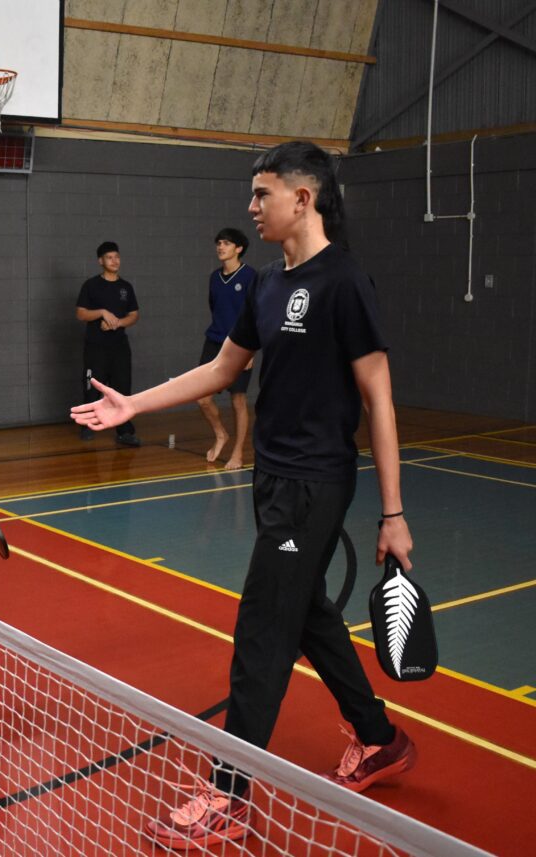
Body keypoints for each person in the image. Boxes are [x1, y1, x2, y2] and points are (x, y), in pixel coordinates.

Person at [72, 142, 416, 850]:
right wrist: (135, 403)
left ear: (304, 198)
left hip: (317, 480)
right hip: (272, 475)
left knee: (262, 625)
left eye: (263, 194)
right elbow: (224, 367)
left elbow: (379, 399)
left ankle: (227, 792)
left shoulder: (345, 282)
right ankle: (380, 737)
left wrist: (393, 512)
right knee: (308, 612)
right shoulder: (264, 283)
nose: (252, 207)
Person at [196, 228, 256, 470]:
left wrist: (250, 350)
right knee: (202, 398)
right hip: (214, 342)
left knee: (238, 400)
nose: (221, 247)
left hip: (241, 345)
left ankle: (238, 453)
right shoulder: (214, 277)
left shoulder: (251, 276)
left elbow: (257, 315)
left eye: (226, 243)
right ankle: (221, 434)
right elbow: (215, 308)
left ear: (238, 248)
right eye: (218, 243)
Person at [75, 241, 141, 447]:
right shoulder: (91, 285)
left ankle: (124, 431)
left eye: (117, 257)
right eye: (110, 257)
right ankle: (87, 424)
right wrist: (102, 312)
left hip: (119, 347)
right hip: (95, 346)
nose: (115, 261)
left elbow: (134, 315)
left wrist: (117, 323)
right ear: (101, 261)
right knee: (92, 386)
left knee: (122, 388)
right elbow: (81, 313)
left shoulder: (125, 287)